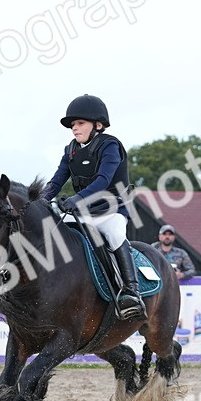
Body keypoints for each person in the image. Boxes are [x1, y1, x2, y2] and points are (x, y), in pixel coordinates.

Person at [41, 94, 144, 320]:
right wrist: (41, 199)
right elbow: (57, 181)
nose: (74, 129)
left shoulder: (110, 146)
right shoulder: (71, 150)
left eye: (80, 123)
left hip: (112, 211)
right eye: (72, 125)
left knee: (116, 235)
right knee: (53, 234)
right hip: (82, 214)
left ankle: (131, 292)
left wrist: (76, 199)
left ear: (97, 125)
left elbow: (103, 181)